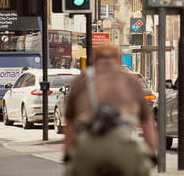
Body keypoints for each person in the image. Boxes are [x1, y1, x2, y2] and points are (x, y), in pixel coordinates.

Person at [63, 44, 158, 176]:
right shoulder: (131, 81)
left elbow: (70, 122)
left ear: (93, 60)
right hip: (124, 145)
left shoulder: (81, 81)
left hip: (88, 145)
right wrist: (152, 153)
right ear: (119, 60)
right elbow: (147, 122)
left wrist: (67, 154)